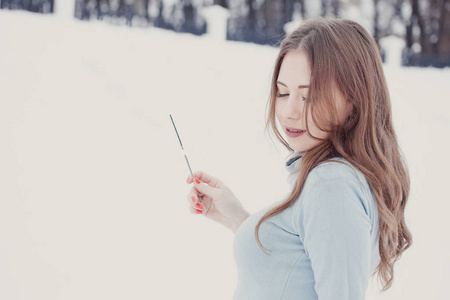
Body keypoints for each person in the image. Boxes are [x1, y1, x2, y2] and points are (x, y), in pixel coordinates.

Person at [186, 16, 412, 299]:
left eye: (309, 96)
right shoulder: (334, 179)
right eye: (283, 92)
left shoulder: (332, 184)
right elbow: (296, 269)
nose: (289, 111)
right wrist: (236, 219)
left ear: (354, 99)